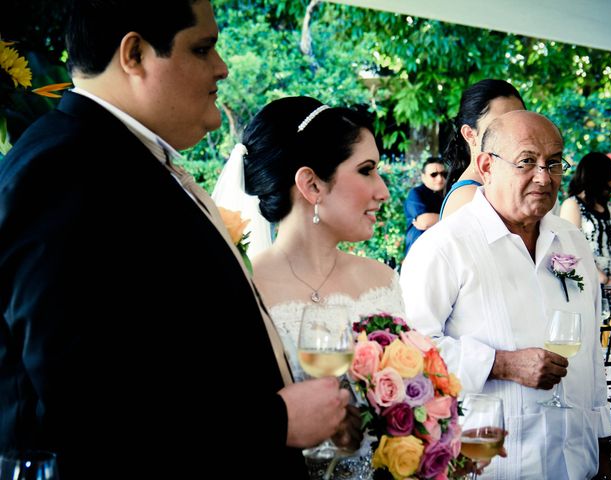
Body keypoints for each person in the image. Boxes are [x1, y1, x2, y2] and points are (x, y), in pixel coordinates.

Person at [0, 2, 350, 479]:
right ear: (135, 54)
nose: (222, 67)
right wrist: (274, 422)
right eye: (202, 48)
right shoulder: (65, 169)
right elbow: (83, 405)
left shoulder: (121, 157)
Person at [400, 110, 611, 479]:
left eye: (555, 163)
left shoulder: (572, 239)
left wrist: (603, 437)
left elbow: (591, 349)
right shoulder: (443, 247)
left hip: (577, 462)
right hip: (496, 465)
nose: (544, 177)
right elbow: (408, 353)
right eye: (527, 161)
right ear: (486, 165)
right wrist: (501, 364)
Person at [227, 96, 403, 479]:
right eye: (367, 170)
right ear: (311, 184)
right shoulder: (242, 290)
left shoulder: (384, 281)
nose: (383, 191)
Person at [440, 79, 525, 219]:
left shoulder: (500, 183)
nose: (514, 133)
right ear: (470, 134)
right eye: (500, 126)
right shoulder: (469, 197)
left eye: (520, 122)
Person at [560, 152, 611, 285]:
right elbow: (570, 248)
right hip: (588, 286)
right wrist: (603, 279)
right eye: (609, 177)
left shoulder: (610, 208)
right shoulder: (572, 205)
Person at [403, 156, 445, 254]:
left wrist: (434, 219)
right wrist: (452, 217)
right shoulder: (416, 193)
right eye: (433, 174)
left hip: (439, 251)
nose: (439, 178)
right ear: (423, 176)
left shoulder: (447, 194)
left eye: (443, 174)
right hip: (418, 252)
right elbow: (424, 221)